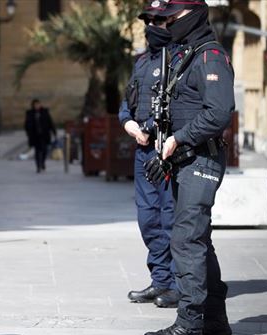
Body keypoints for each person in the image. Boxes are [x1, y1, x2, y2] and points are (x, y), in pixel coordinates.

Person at [142, 1, 235, 335]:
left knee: (186, 240)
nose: (167, 24)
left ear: (194, 15)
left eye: (173, 17)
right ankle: (215, 320)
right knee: (199, 241)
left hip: (202, 159)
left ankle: (190, 325)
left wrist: (179, 139)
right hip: (185, 160)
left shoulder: (210, 57)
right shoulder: (187, 55)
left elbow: (220, 111)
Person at [118, 0, 179, 309]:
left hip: (167, 152)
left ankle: (175, 284)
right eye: (149, 21)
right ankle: (160, 280)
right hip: (143, 151)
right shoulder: (141, 62)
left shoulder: (181, 59)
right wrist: (130, 124)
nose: (153, 26)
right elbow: (126, 103)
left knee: (169, 218)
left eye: (159, 20)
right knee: (147, 219)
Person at [24, 99, 57, 173]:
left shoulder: (45, 112)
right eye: (35, 105)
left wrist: (54, 132)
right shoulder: (30, 113)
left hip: (44, 134)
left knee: (45, 150)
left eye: (38, 104)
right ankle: (38, 166)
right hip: (35, 135)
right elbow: (26, 124)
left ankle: (42, 162)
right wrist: (28, 133)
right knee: (37, 151)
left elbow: (50, 122)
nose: (37, 106)